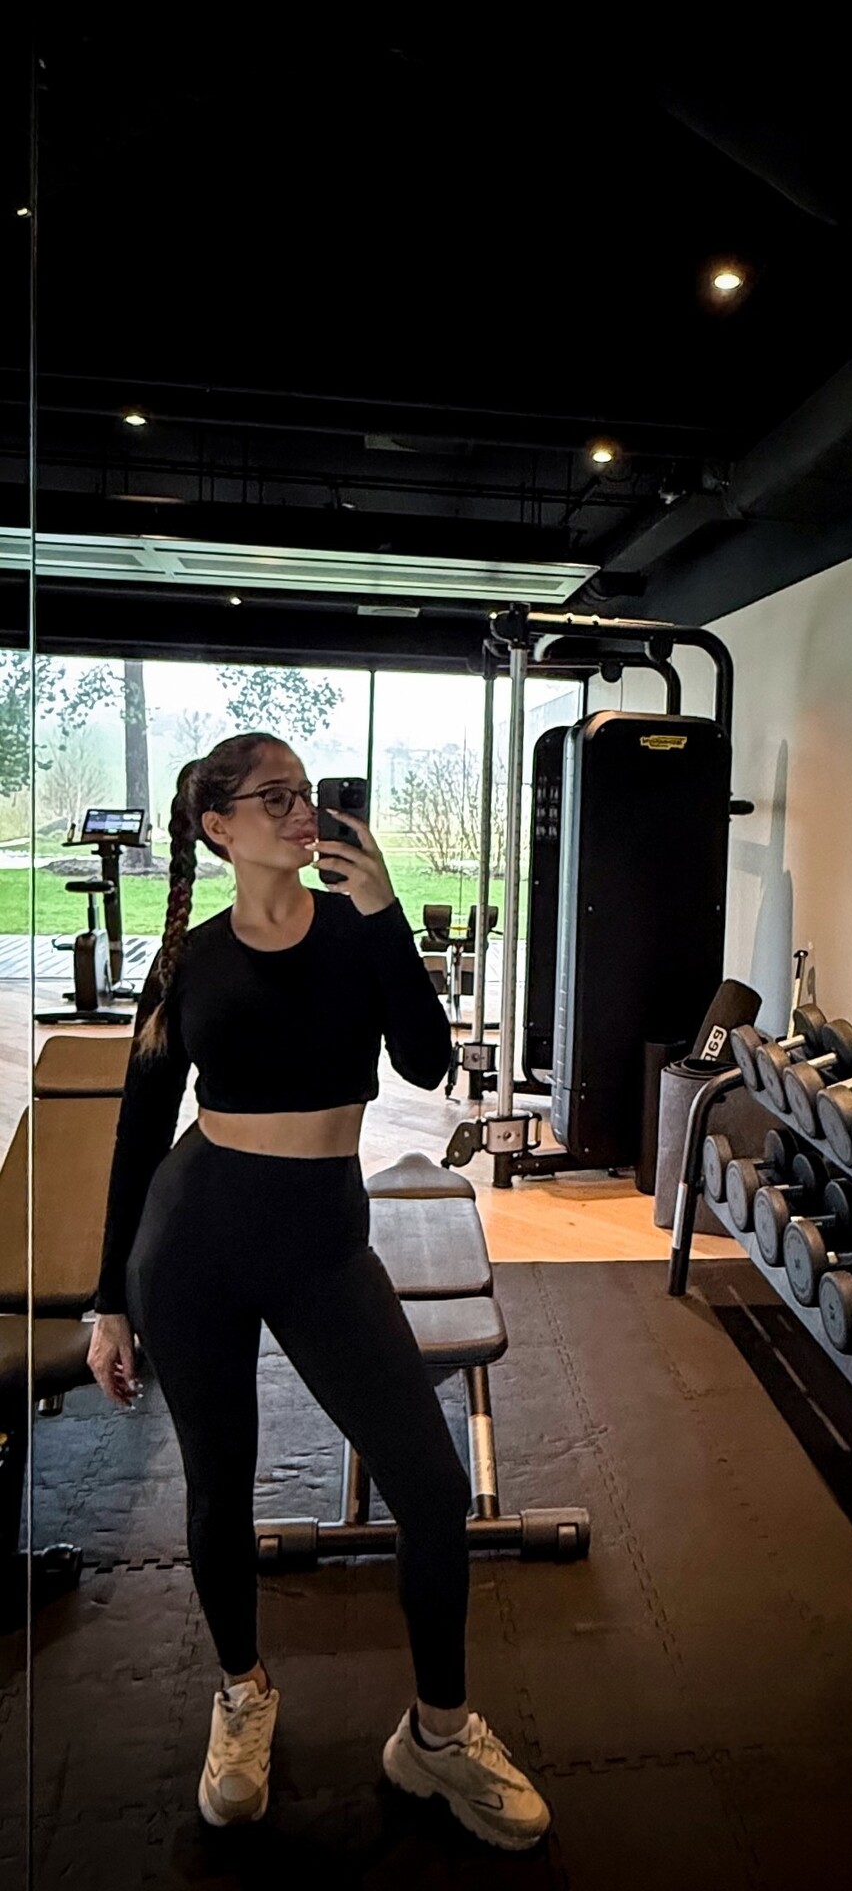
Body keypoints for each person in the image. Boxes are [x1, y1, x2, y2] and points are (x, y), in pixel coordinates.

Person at [86, 730, 550, 1852]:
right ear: (219, 827)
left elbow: (429, 1062)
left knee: (432, 1490)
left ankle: (437, 1735)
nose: (303, 812)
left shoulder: (355, 931)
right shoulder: (188, 960)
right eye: (275, 797)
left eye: (307, 792)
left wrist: (386, 916)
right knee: (219, 1489)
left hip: (323, 1246)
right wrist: (109, 1300)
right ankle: (242, 1693)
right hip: (194, 1243)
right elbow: (141, 1129)